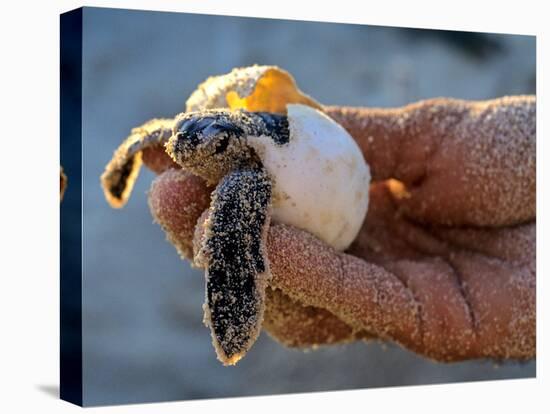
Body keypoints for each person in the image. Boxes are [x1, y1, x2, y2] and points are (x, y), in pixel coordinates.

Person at [144, 96, 535, 362]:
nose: (187, 154)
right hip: (339, 201)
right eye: (182, 144)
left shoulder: (248, 178)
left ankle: (233, 327)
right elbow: (190, 135)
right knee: (178, 189)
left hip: (333, 201)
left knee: (231, 227)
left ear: (231, 144)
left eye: (210, 148)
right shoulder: (211, 136)